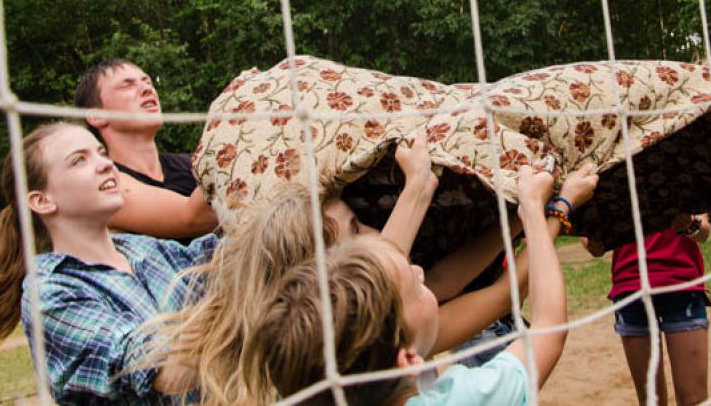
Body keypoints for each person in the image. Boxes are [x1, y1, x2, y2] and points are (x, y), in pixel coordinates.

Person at [0, 122, 218, 403]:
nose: (106, 165)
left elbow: (231, 255)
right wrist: (230, 309)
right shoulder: (50, 292)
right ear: (42, 200)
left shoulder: (145, 250)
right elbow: (160, 370)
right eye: (79, 160)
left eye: (100, 153)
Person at [240, 164, 573, 405]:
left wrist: (516, 219)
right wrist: (549, 210)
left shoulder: (299, 363)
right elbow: (542, 324)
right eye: (354, 230)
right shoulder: (464, 397)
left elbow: (444, 280)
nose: (421, 272)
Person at [75, 59, 217, 239]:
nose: (147, 88)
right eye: (127, 85)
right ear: (96, 116)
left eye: (147, 82)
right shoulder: (105, 183)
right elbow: (194, 218)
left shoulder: (191, 163)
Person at [580, 213, 711, 406]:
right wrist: (593, 241)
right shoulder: (611, 183)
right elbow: (589, 237)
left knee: (694, 399)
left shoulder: (683, 182)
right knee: (651, 401)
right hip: (631, 285)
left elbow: (704, 231)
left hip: (681, 283)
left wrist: (690, 225)